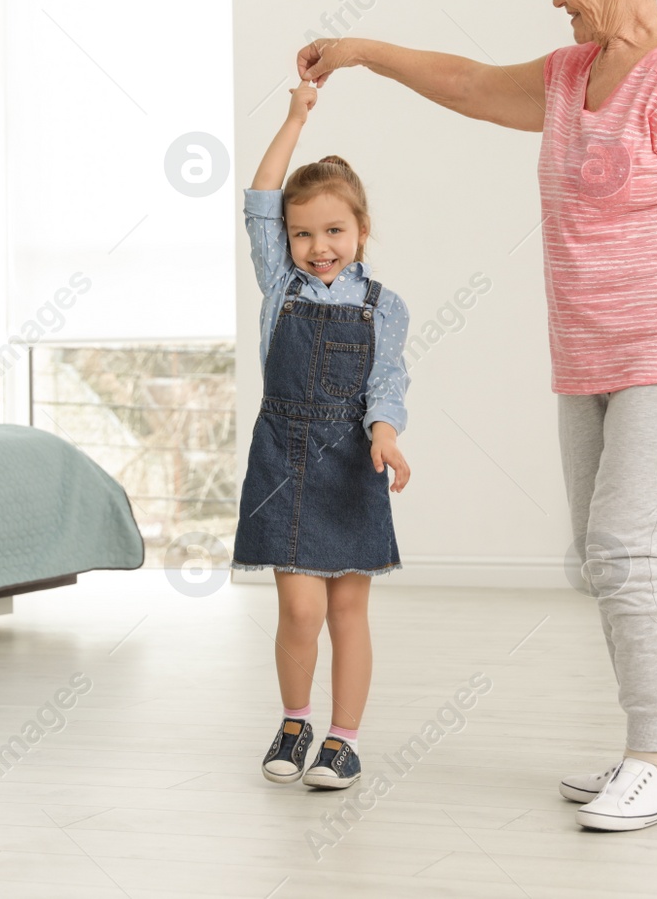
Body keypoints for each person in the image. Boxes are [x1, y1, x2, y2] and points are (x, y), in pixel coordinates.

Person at [294, 0, 657, 830]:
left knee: (626, 545)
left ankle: (650, 754)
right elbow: (469, 81)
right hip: (592, 353)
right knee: (607, 554)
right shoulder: (573, 76)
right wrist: (360, 51)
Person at [234, 79, 413, 791]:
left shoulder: (383, 305)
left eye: (334, 230)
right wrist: (293, 119)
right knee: (299, 606)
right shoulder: (282, 285)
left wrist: (386, 434)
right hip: (283, 455)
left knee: (347, 608)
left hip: (351, 462)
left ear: (361, 230)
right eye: (303, 232)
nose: (318, 246)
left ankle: (344, 738)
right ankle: (294, 718)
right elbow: (258, 201)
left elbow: (388, 382)